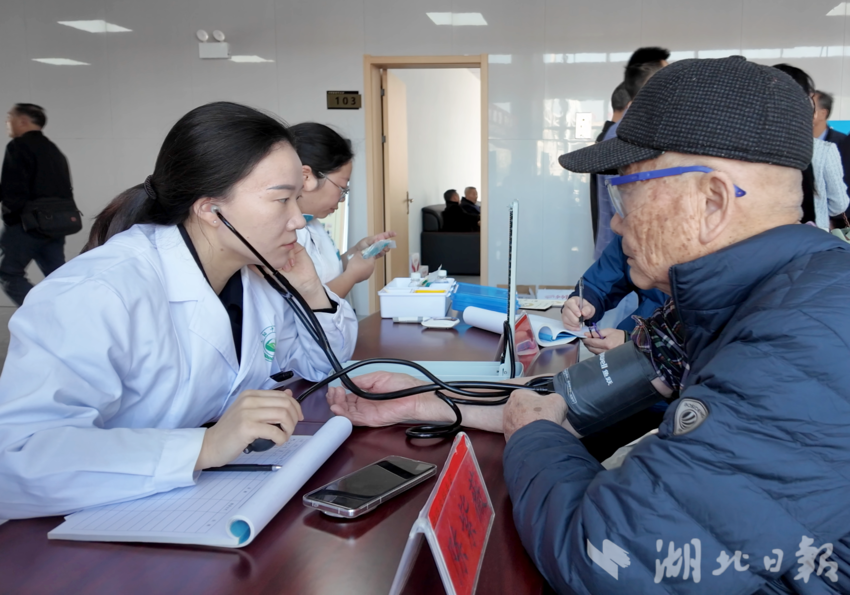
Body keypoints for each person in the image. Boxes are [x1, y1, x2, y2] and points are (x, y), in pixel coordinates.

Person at [327, 57, 850, 593]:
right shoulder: (731, 300)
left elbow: (612, 560)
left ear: (711, 203)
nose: (616, 221)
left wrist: (531, 435)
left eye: (626, 192)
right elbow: (573, 398)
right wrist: (420, 399)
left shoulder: (809, 344)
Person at [0, 102, 358, 520]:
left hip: (198, 504)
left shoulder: (254, 276)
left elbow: (323, 366)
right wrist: (203, 447)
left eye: (297, 198)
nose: (298, 220)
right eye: (281, 200)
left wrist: (311, 288)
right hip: (86, 525)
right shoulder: (97, 291)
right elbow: (16, 459)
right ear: (210, 209)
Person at [289, 123, 394, 299]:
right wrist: (352, 276)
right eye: (341, 188)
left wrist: (358, 251)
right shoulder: (284, 235)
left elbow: (329, 271)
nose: (343, 198)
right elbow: (308, 303)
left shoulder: (313, 223)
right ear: (305, 177)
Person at [594, 49, 668, 259]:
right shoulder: (629, 133)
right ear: (654, 85)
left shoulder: (627, 130)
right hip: (626, 262)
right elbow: (632, 211)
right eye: (670, 78)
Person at [0, 103, 73, 305]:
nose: (6, 122)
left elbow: (13, 188)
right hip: (57, 224)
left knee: (8, 272)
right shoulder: (54, 150)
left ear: (23, 121)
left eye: (9, 117)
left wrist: (11, 220)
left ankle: (41, 313)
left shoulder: (18, 146)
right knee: (58, 275)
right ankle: (74, 312)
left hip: (28, 224)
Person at [560, 234, 667, 336]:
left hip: (651, 340)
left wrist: (634, 340)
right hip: (636, 334)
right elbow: (602, 279)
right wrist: (586, 300)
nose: (614, 225)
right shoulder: (629, 236)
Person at [591, 82, 631, 242]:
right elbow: (620, 208)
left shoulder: (603, 139)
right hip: (616, 244)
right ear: (630, 105)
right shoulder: (616, 141)